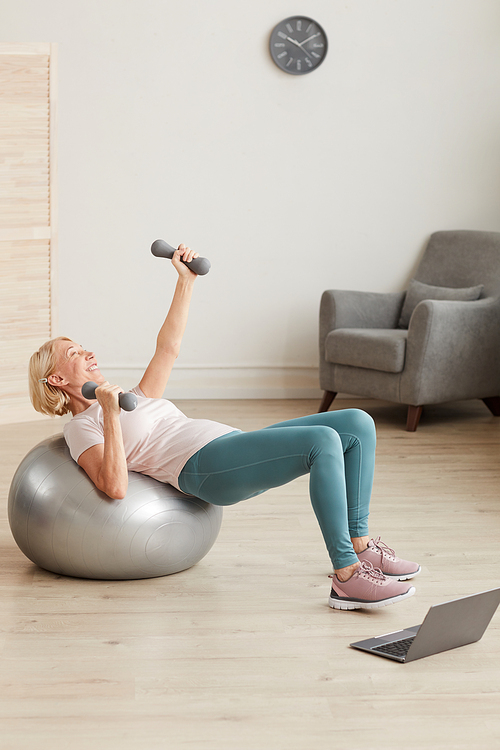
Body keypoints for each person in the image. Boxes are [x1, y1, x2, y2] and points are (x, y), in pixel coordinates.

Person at [29, 244, 421, 610]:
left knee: (356, 423)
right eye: (73, 353)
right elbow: (114, 486)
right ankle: (347, 575)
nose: (88, 352)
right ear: (57, 381)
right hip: (204, 468)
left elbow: (168, 347)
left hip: (230, 443)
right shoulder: (82, 427)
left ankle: (362, 545)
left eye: (82, 346)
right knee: (323, 441)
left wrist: (185, 281)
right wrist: (109, 414)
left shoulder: (136, 395)